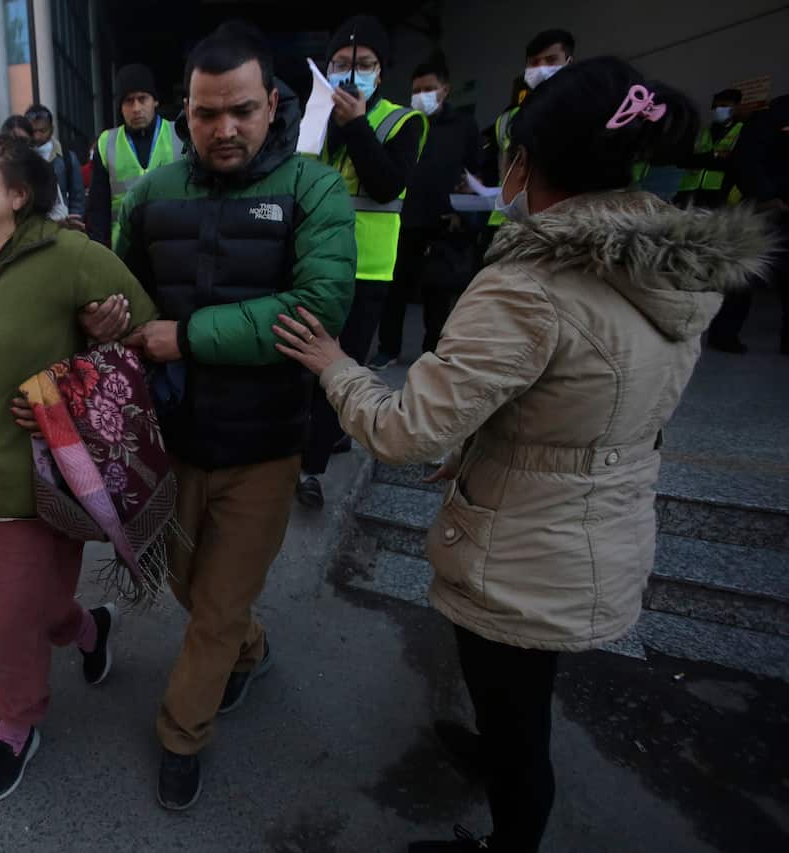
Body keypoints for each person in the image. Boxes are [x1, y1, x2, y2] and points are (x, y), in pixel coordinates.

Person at [274, 57, 771, 853]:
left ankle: (509, 834)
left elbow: (406, 429)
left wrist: (334, 364)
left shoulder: (529, 286)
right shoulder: (675, 265)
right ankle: (498, 757)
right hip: (595, 520)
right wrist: (482, 436)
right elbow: (573, 390)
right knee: (518, 694)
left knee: (518, 717)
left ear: (525, 161)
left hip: (525, 549)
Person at [115, 21, 356, 811]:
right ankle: (252, 649)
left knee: (214, 607)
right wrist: (109, 318)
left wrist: (182, 337)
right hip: (175, 440)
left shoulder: (312, 189)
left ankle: (182, 733)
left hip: (265, 444)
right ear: (184, 112)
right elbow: (127, 297)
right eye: (207, 113)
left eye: (243, 111)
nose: (225, 129)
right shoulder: (151, 194)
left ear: (273, 104)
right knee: (188, 585)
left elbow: (316, 309)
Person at [0, 134, 157, 804]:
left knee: (9, 619)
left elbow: (146, 339)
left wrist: (95, 345)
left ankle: (18, 723)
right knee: (3, 606)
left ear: (18, 194)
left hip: (35, 487)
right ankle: (89, 627)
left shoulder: (69, 256)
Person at [298, 14, 427, 510]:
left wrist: (356, 127)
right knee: (304, 363)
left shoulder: (401, 122)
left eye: (365, 65)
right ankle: (321, 440)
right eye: (341, 64)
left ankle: (310, 470)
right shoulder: (313, 117)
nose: (352, 75)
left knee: (338, 366)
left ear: (381, 70)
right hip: (310, 263)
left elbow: (386, 185)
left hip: (366, 268)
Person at [373, 60, 482, 368]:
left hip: (443, 222)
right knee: (395, 290)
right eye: (416, 90)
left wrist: (465, 205)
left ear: (445, 90)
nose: (421, 95)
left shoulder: (463, 126)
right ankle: (388, 348)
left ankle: (432, 352)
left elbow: (475, 171)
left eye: (429, 89)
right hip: (404, 219)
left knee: (437, 292)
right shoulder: (404, 122)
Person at [680, 89, 752, 353]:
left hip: (727, 205)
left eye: (726, 105)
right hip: (694, 202)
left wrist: (709, 161)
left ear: (737, 107)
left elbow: (738, 164)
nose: (720, 109)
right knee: (692, 265)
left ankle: (725, 334)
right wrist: (714, 159)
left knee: (729, 270)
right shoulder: (705, 132)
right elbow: (686, 159)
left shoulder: (745, 132)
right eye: (718, 105)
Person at [486, 30, 576, 230]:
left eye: (551, 60)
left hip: (560, 224)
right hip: (508, 224)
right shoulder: (507, 120)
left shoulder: (584, 112)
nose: (542, 68)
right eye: (534, 62)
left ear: (569, 63)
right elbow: (503, 171)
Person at [86, 64, 182, 246]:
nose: (136, 108)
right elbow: (98, 208)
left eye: (142, 99)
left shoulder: (180, 136)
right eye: (128, 101)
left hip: (172, 247)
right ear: (120, 107)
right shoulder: (106, 143)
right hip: (124, 251)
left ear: (155, 101)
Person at [734, 94, 789, 354]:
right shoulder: (775, 113)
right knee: (746, 272)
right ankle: (725, 333)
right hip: (771, 207)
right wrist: (767, 197)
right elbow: (747, 157)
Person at [24, 104, 86, 228]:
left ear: (51, 129)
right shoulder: (22, 157)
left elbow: (77, 196)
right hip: (31, 227)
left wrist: (74, 223)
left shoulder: (67, 157)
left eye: (42, 130)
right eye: (33, 131)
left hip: (63, 226)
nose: (37, 136)